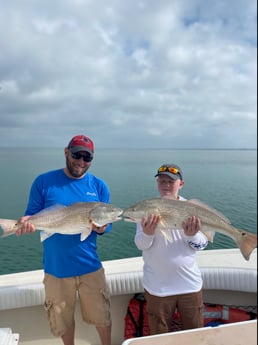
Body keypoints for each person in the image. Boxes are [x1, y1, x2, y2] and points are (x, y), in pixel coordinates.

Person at [16, 134, 112, 345]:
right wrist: (27, 223)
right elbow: (32, 214)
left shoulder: (99, 186)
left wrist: (103, 227)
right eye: (77, 155)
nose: (81, 161)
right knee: (63, 321)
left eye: (87, 158)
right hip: (56, 268)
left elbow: (107, 223)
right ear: (66, 152)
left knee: (102, 317)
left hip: (90, 266)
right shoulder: (44, 182)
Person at [134, 163, 209, 335]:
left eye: (171, 181)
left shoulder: (192, 209)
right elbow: (141, 244)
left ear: (181, 184)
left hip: (189, 286)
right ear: (157, 183)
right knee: (160, 336)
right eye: (162, 181)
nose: (166, 184)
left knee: (194, 335)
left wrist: (191, 235)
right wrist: (147, 233)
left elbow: (202, 245)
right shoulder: (148, 208)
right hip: (157, 288)